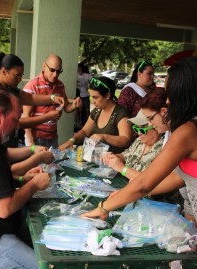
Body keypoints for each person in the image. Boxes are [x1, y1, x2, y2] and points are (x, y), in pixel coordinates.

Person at [82, 56, 197, 224]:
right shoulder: (188, 127)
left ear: (182, 94)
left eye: (170, 94)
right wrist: (122, 195)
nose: (168, 101)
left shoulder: (186, 131)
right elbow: (172, 183)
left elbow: (144, 184)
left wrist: (103, 207)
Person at [0, 86, 51, 269]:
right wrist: (33, 185)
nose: (17, 126)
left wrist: (21, 181)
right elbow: (4, 208)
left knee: (47, 243)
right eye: (15, 119)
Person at [59, 76, 132, 154]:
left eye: (95, 97)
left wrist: (105, 137)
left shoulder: (121, 113)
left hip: (112, 160)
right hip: (95, 159)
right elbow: (84, 131)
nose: (93, 101)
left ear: (107, 95)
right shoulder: (97, 111)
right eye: (91, 97)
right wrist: (71, 140)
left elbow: (126, 140)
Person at [22, 53, 82, 148]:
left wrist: (75, 105)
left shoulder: (60, 85)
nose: (55, 74)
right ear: (44, 66)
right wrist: (31, 143)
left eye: (59, 71)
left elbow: (66, 107)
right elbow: (26, 117)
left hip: (53, 136)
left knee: (54, 162)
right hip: (36, 137)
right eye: (52, 70)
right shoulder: (32, 85)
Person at [76, 62, 92, 127]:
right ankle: (79, 122)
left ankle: (89, 123)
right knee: (78, 109)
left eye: (78, 67)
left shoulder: (87, 75)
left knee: (87, 109)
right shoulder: (76, 75)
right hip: (78, 95)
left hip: (85, 95)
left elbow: (93, 81)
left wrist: (89, 86)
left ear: (80, 68)